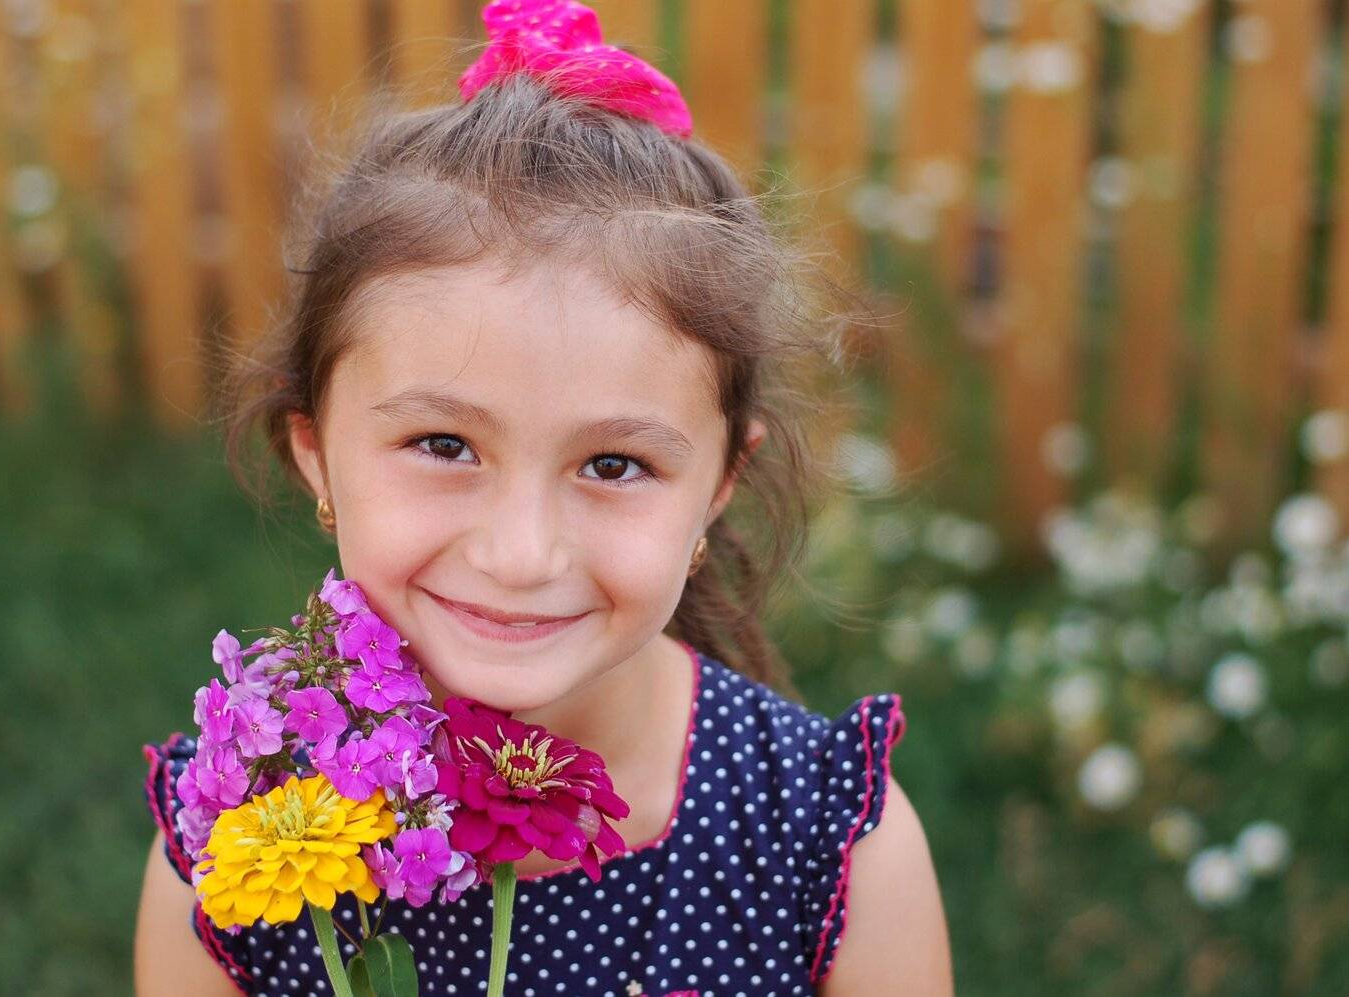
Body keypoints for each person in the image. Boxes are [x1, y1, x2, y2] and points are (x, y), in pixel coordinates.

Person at [134, 1, 952, 994]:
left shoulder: (830, 851)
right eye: (444, 445)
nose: (522, 554)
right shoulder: (230, 846)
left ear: (719, 485)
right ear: (316, 454)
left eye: (612, 465)